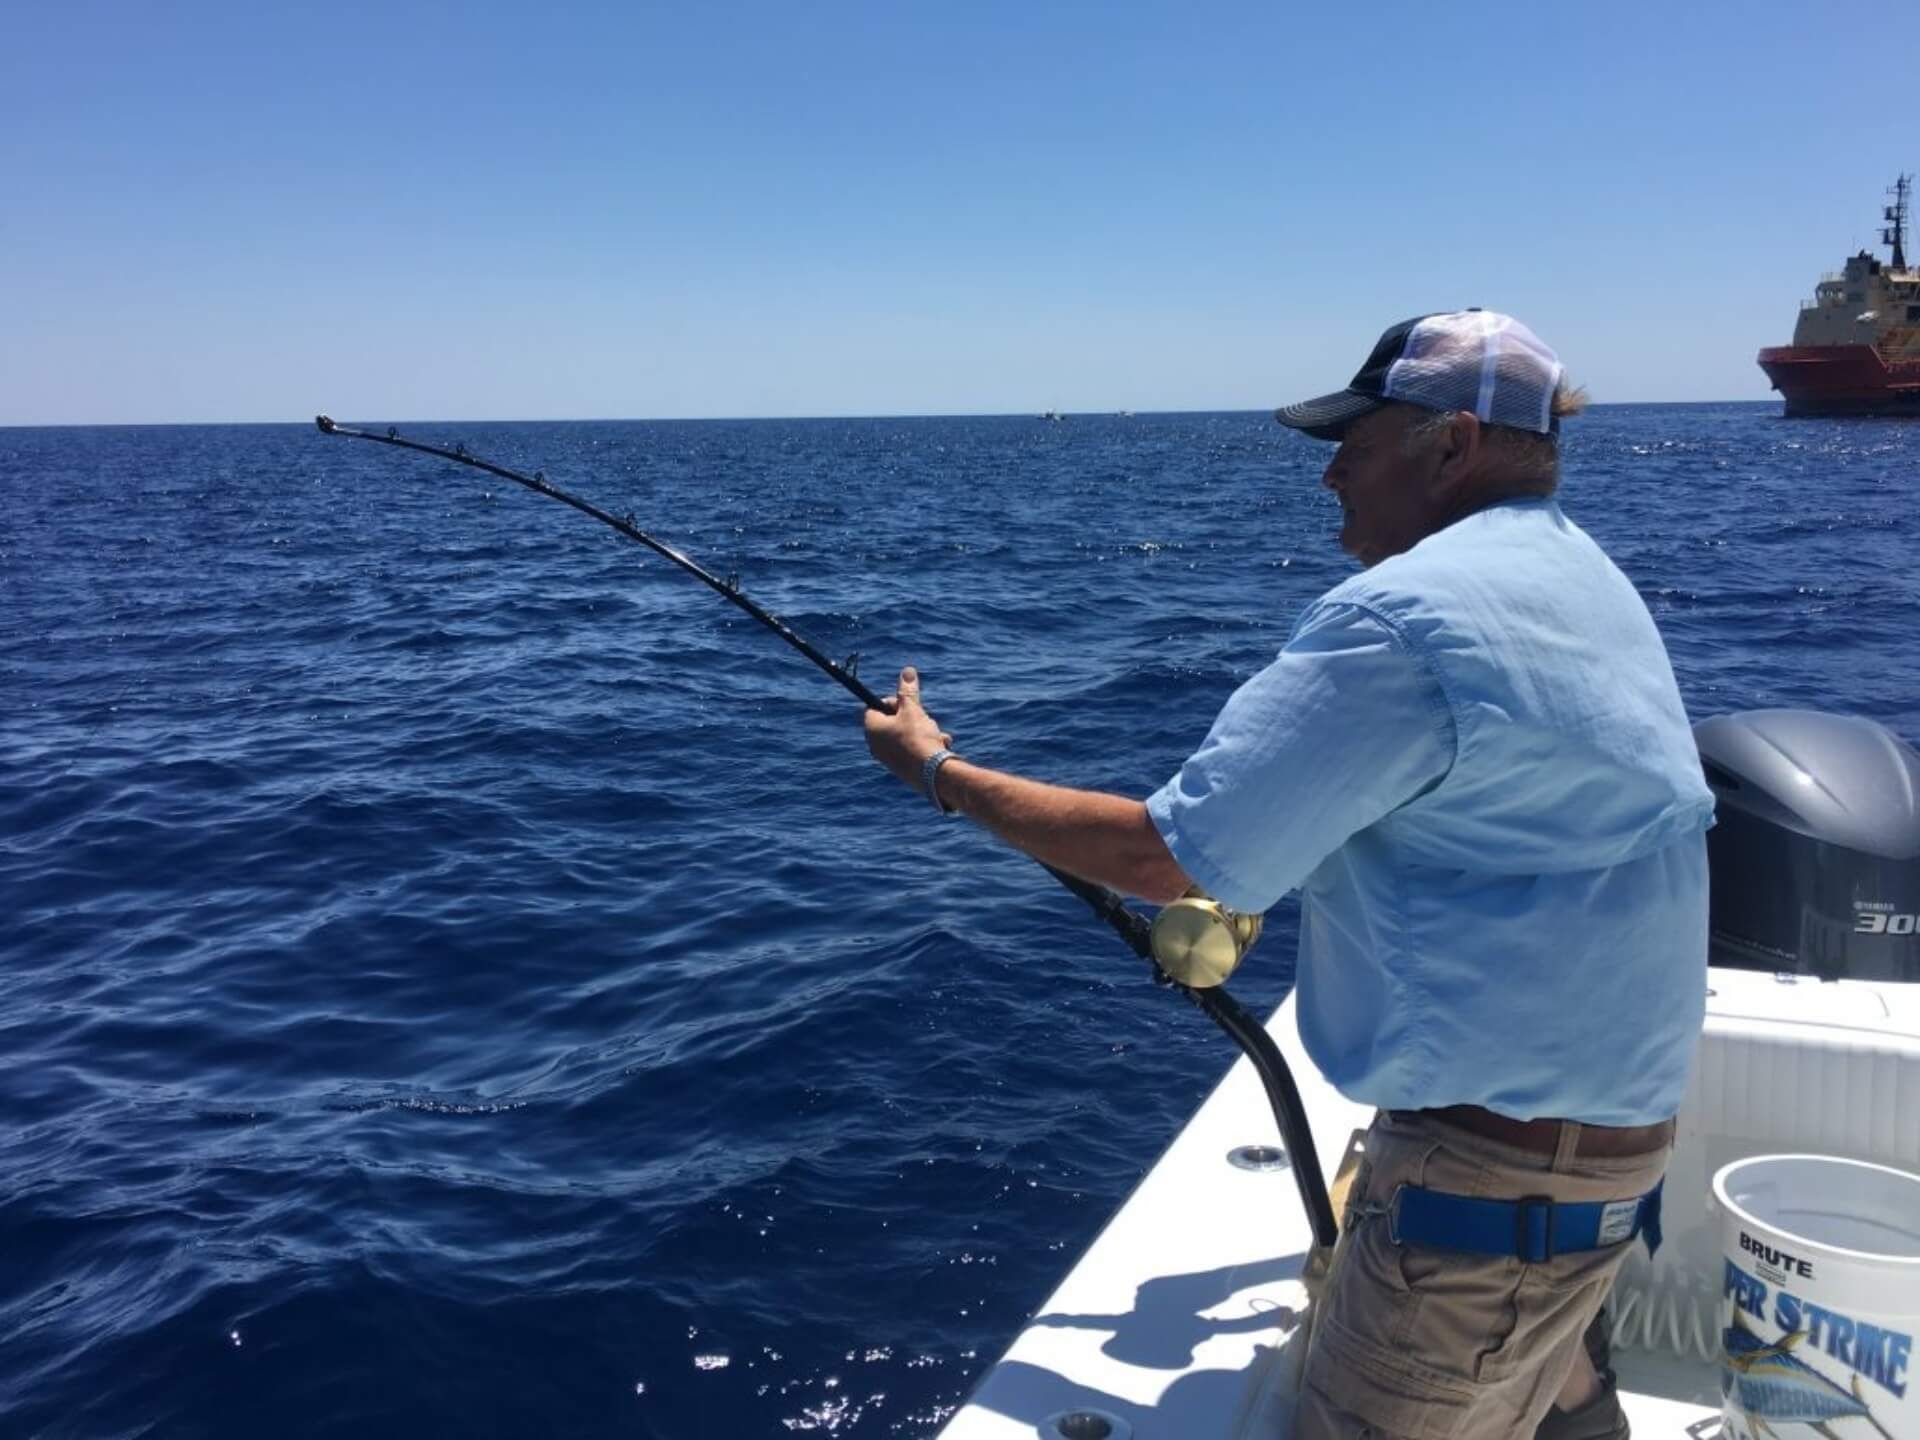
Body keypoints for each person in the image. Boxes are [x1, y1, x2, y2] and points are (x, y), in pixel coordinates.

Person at [862, 311, 1713, 1440]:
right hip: (1598, 1151)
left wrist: (936, 769)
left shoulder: (1404, 618)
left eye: (1356, 441)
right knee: (1554, 1386)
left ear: (1452, 446)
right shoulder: (1580, 575)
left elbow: (1161, 858)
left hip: (1490, 1187)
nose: (1330, 472)